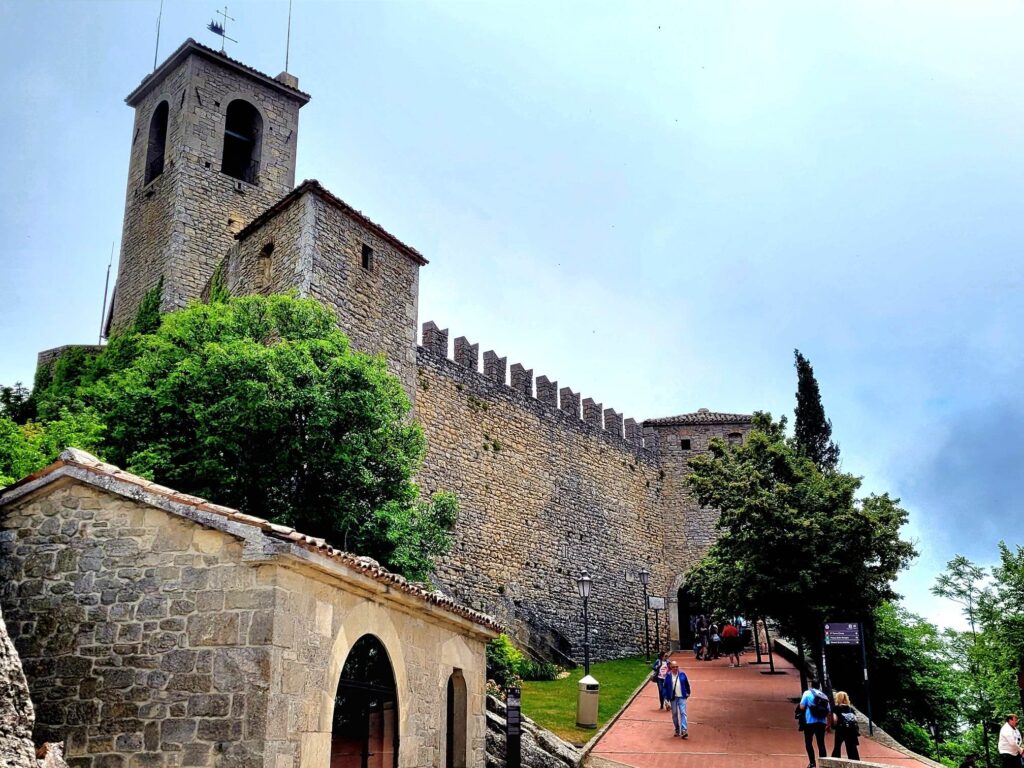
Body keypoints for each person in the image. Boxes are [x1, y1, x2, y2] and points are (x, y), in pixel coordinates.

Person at [799, 678, 831, 768]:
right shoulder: (824, 695)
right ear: (819, 686)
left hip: (809, 721)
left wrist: (809, 706)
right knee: (821, 743)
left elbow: (801, 707)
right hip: (821, 722)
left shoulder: (807, 693)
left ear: (811, 685)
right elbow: (828, 711)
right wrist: (828, 724)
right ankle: (823, 764)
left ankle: (812, 763)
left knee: (809, 742)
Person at [660, 659, 692, 738]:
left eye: (677, 667)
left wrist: (688, 692)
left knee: (683, 712)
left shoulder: (682, 674)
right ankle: (677, 729)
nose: (675, 668)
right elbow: (665, 687)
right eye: (674, 667)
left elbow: (686, 684)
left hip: (682, 697)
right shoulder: (668, 676)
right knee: (674, 714)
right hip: (673, 698)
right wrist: (666, 698)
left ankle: (684, 730)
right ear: (671, 668)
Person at [830, 690, 860, 760]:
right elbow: (855, 719)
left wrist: (834, 726)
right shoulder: (851, 709)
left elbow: (835, 719)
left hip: (841, 729)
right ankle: (855, 762)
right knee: (852, 748)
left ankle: (835, 761)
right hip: (851, 730)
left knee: (837, 747)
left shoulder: (836, 708)